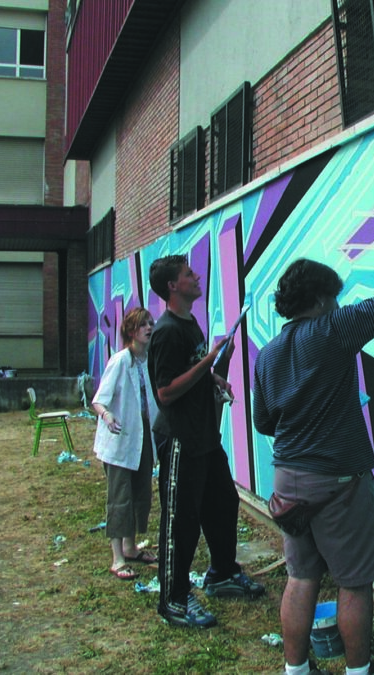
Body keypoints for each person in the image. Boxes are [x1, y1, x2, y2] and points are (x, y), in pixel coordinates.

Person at [252, 227, 374, 675]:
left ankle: (296, 670)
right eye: (337, 298)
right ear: (323, 300)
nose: (341, 306)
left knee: (301, 577)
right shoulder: (332, 330)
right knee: (354, 583)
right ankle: (359, 673)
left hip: (288, 483)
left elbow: (263, 421)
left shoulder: (267, 354)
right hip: (338, 485)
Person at [147, 255, 265, 629]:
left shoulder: (191, 323)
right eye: (188, 274)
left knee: (223, 503)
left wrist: (217, 374)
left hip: (205, 436)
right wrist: (206, 364)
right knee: (181, 523)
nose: (197, 276)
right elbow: (165, 392)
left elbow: (194, 372)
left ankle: (223, 574)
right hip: (180, 439)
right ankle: (174, 600)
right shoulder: (167, 331)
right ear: (172, 286)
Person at [91, 307, 160, 581]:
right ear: (132, 331)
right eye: (143, 324)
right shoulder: (120, 361)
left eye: (151, 323)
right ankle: (117, 558)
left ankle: (131, 548)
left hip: (142, 437)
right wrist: (107, 416)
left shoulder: (148, 361)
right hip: (119, 440)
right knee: (120, 498)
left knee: (139, 493)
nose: (149, 328)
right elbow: (99, 399)